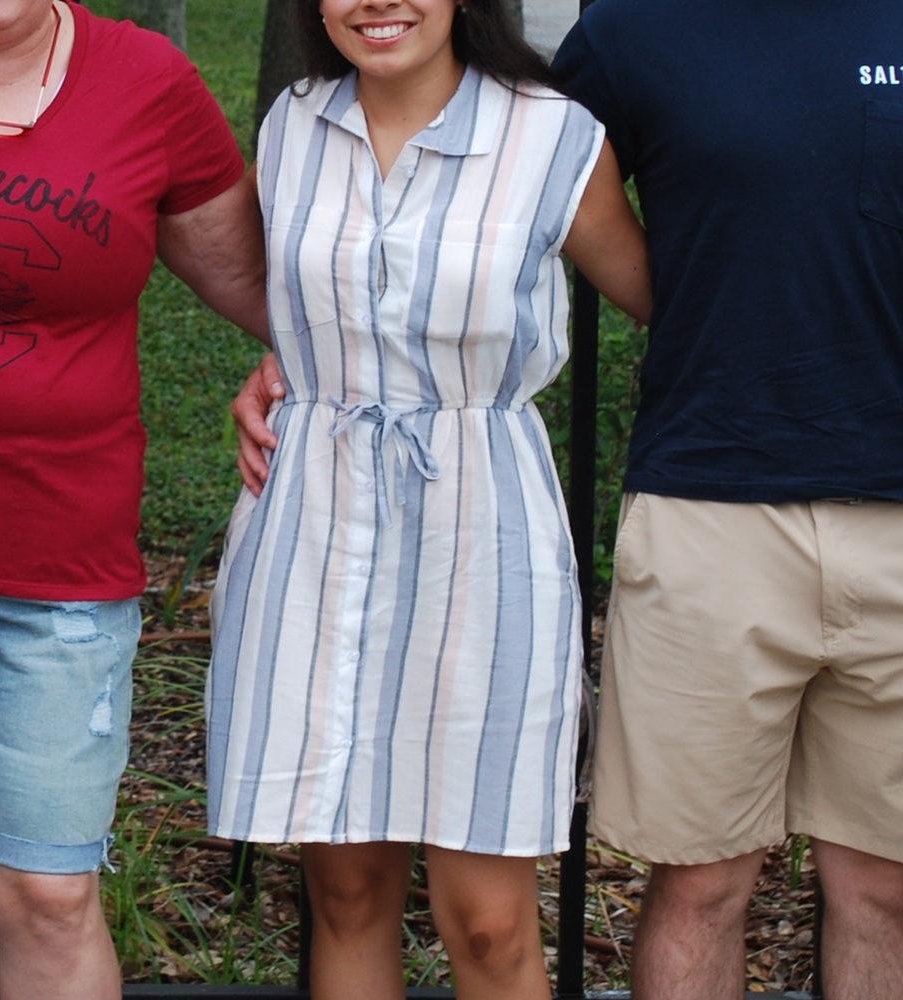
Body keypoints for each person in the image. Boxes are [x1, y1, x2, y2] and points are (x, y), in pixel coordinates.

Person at [205, 0, 649, 997]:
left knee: (487, 920)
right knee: (349, 894)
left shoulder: (549, 135)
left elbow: (664, 296)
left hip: (481, 530)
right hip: (313, 522)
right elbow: (287, 290)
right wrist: (278, 368)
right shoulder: (292, 125)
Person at [0, 0, 267, 997]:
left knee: (44, 891)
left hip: (48, 565)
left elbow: (260, 281)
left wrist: (296, 358)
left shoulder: (145, 84)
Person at [546, 2, 903, 998]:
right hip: (712, 510)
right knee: (702, 881)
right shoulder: (633, 30)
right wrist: (672, 292)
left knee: (884, 889)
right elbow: (537, 166)